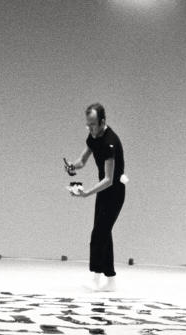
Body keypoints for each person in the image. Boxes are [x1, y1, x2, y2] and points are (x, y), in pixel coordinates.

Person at [65, 103, 125, 291]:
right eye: (87, 125)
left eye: (92, 124)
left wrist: (88, 193)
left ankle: (97, 278)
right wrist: (73, 166)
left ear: (102, 122)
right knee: (104, 233)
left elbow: (108, 179)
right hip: (104, 190)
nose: (89, 128)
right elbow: (83, 160)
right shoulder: (93, 137)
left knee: (98, 233)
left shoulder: (110, 142)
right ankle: (111, 280)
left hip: (114, 191)